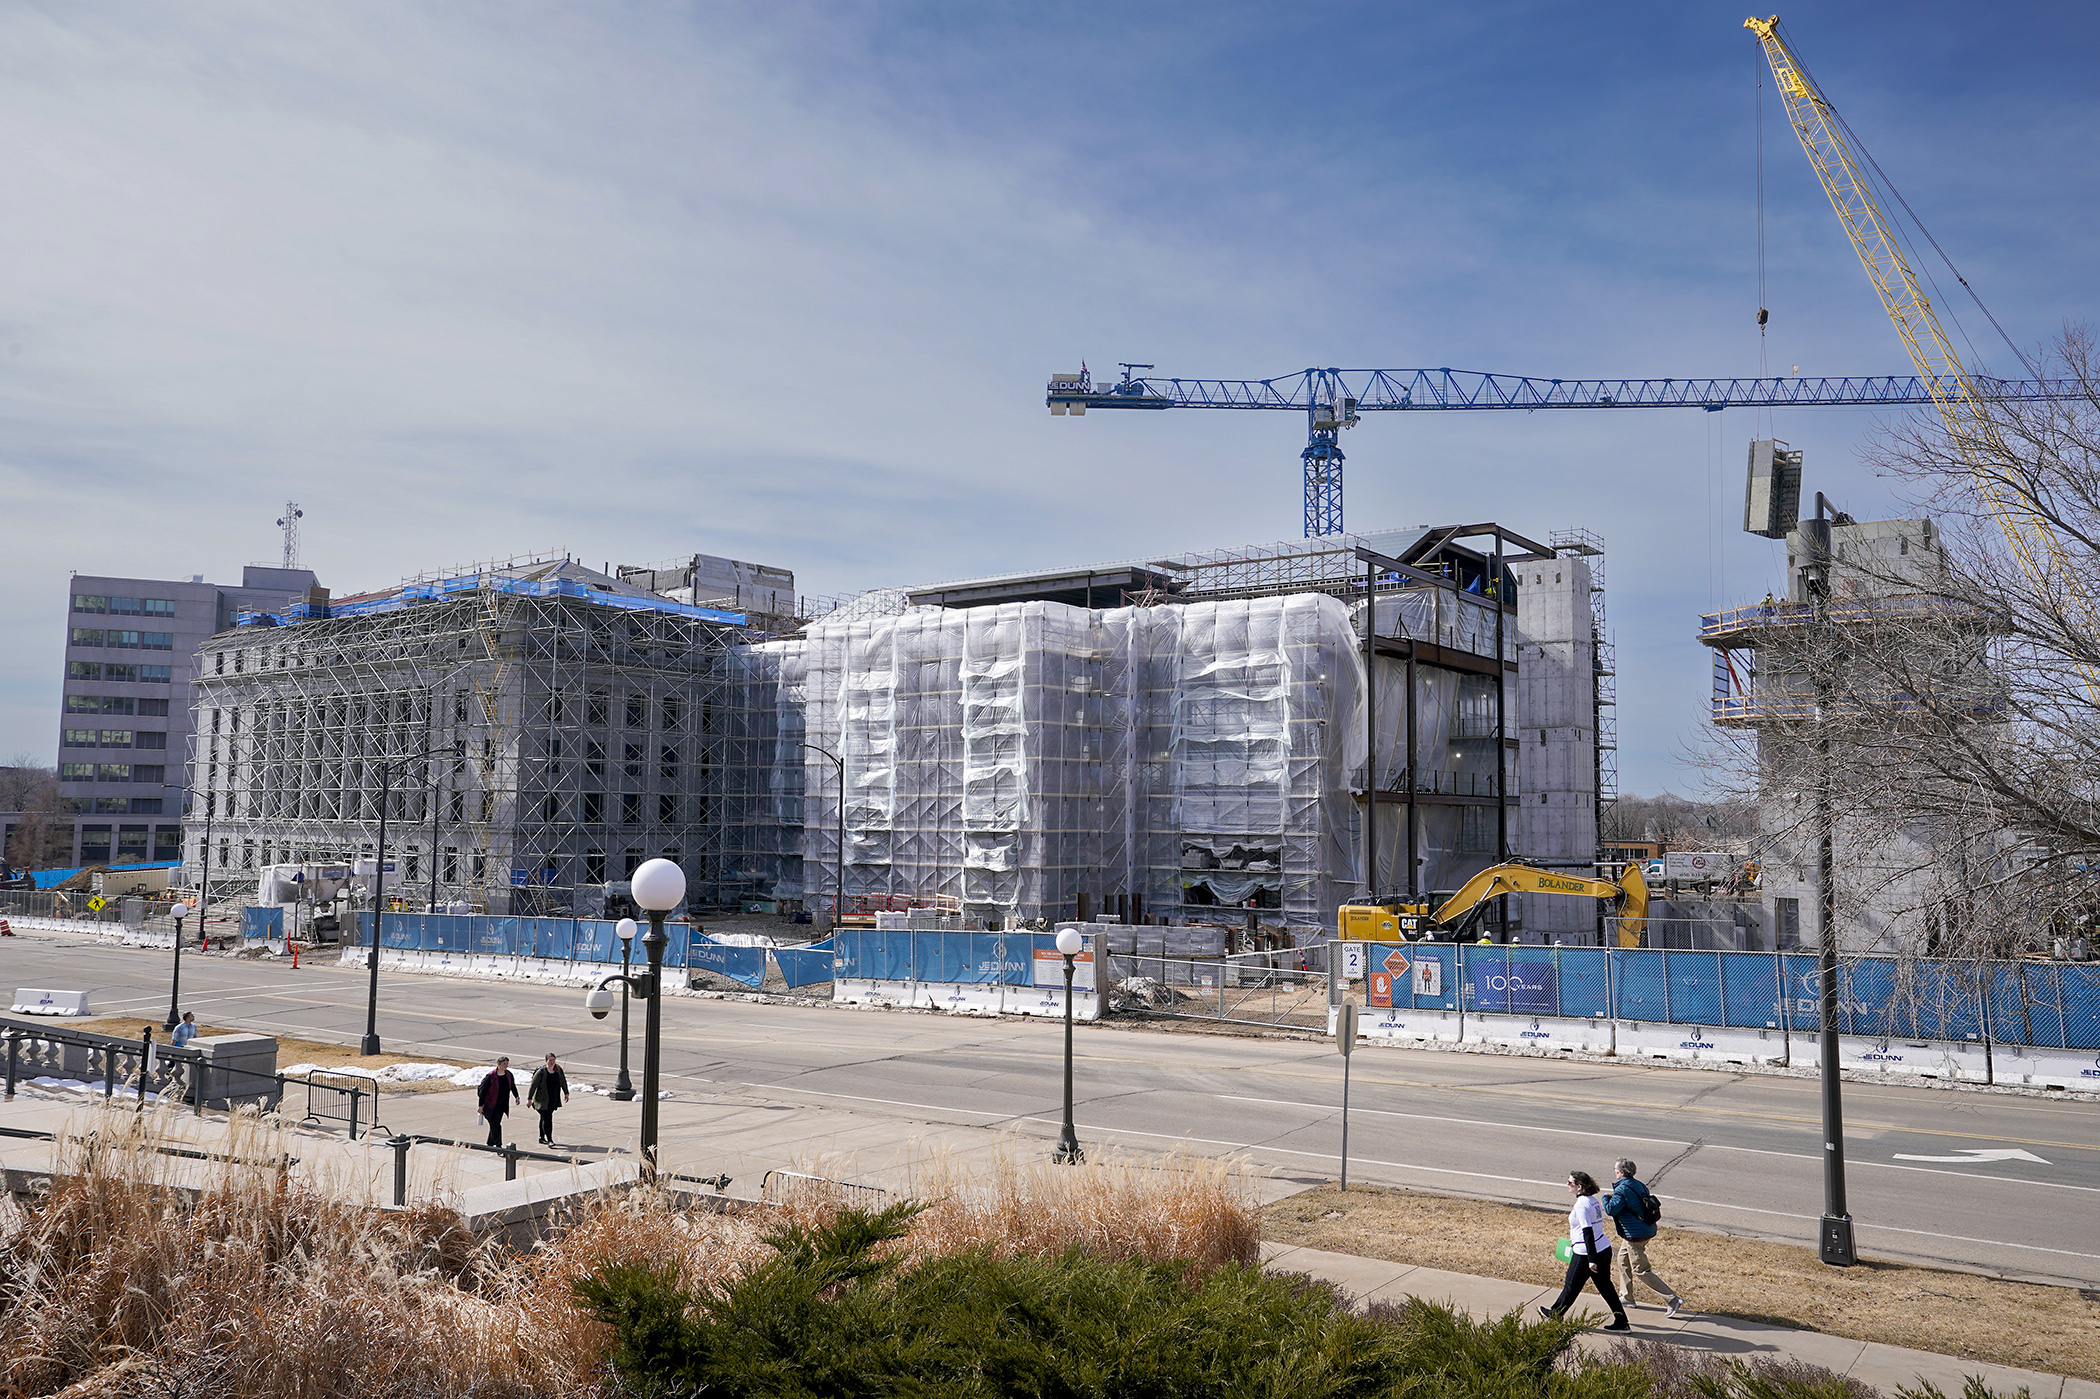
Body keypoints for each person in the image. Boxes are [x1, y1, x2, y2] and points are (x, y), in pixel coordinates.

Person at [1539, 1169, 1630, 1331]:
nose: (1567, 1185)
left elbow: (1587, 1231)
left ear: (1579, 1187)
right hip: (1603, 1247)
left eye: (1570, 1183)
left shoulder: (1581, 1205)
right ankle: (1622, 1321)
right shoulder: (1592, 1201)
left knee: (1571, 1284)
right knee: (1605, 1287)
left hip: (1586, 1252)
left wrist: (1591, 1259)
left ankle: (1555, 1313)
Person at [1605, 1158, 1687, 1318]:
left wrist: (1606, 1198)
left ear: (1621, 1172)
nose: (1614, 1171)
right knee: (1622, 1260)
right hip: (1642, 1229)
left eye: (1615, 1169)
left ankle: (1672, 1299)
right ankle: (1626, 1296)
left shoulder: (1622, 1189)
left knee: (1640, 1270)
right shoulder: (1639, 1184)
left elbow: (1610, 1209)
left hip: (1635, 1235)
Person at [528, 1052, 570, 1146]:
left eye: (553, 1060)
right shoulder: (541, 1072)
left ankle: (541, 1137)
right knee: (547, 1118)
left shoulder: (558, 1070)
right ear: (546, 1061)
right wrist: (529, 1099)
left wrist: (566, 1093)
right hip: (542, 1100)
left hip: (553, 1098)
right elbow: (533, 1086)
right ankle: (550, 1139)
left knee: (544, 1118)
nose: (552, 1062)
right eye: (550, 1060)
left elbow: (563, 1082)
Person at [477, 1056, 518, 1147]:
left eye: (507, 1063)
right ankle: (499, 1146)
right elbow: (482, 1091)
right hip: (490, 1106)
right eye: (504, 1064)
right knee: (496, 1126)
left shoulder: (508, 1075)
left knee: (495, 1125)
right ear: (498, 1065)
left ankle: (490, 1143)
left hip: (501, 1105)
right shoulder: (491, 1076)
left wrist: (516, 1096)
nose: (506, 1066)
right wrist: (480, 1105)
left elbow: (512, 1086)